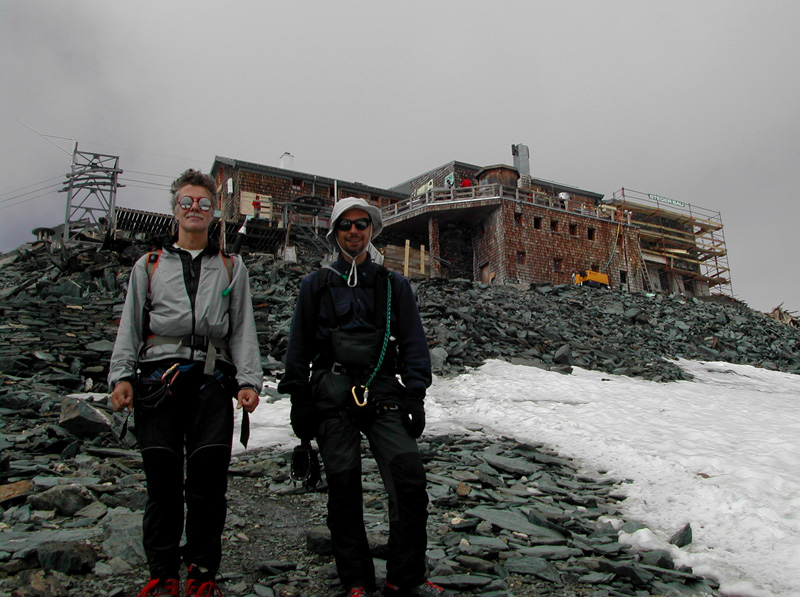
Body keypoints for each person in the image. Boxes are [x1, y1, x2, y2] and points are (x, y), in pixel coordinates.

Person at [278, 197, 450, 597]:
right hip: (330, 393)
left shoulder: (394, 285)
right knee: (343, 487)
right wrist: (297, 398)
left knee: (408, 478)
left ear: (371, 229)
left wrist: (417, 395)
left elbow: (412, 343)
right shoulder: (315, 285)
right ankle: (355, 580)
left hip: (384, 390)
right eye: (345, 225)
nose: (353, 231)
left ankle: (404, 578)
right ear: (335, 232)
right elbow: (298, 347)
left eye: (361, 224)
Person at [108, 169, 262, 597]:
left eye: (203, 203)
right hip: (157, 381)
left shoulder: (232, 266)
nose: (194, 209)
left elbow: (242, 329)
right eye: (186, 202)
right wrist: (121, 376)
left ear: (215, 212)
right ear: (174, 208)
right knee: (162, 481)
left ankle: (201, 574)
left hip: (212, 381)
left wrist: (248, 380)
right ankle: (162, 573)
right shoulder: (149, 265)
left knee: (208, 483)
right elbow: (131, 326)